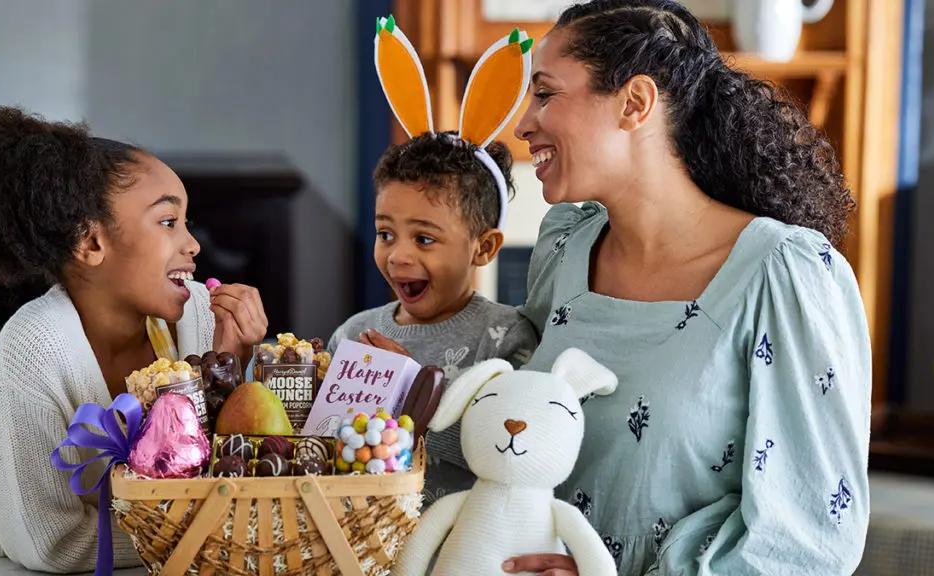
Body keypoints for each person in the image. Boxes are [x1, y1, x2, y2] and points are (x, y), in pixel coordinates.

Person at [500, 1, 871, 575]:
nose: (524, 123)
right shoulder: (564, 247)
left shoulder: (782, 274)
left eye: (545, 94)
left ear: (635, 102)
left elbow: (810, 540)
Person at [0, 107, 268, 571]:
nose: (193, 245)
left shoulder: (199, 318)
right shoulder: (31, 355)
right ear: (90, 244)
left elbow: (213, 476)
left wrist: (230, 361)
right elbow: (50, 544)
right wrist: (199, 532)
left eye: (187, 222)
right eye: (169, 222)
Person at [328, 132, 538, 504]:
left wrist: (414, 395)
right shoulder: (354, 334)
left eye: (424, 239)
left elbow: (514, 457)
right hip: (364, 550)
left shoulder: (506, 339)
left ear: (483, 247)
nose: (397, 256)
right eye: (386, 234)